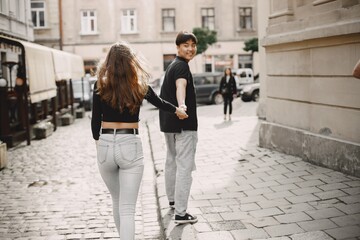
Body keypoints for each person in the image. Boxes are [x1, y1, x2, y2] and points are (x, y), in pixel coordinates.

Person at [91, 41, 188, 240]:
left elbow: (95, 121)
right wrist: (177, 110)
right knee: (127, 209)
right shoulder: (138, 83)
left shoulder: (101, 83)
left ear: (109, 61)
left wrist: (99, 145)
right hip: (130, 144)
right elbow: (159, 103)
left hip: (106, 145)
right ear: (130, 61)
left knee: (117, 201)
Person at [159, 30, 199, 225]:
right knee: (184, 166)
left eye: (193, 45)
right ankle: (181, 214)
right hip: (183, 124)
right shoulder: (182, 67)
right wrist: (182, 105)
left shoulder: (172, 65)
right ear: (178, 47)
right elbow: (180, 87)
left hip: (169, 124)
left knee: (172, 162)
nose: (190, 49)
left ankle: (173, 201)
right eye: (186, 45)